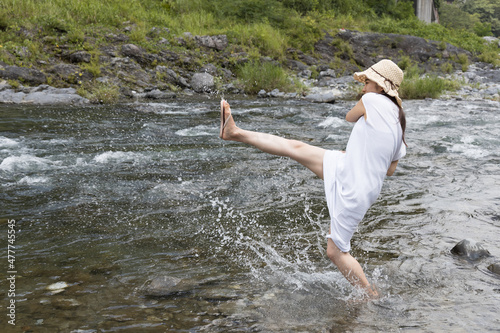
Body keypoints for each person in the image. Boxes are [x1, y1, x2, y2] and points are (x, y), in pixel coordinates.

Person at [219, 59, 406, 297]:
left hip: (355, 185)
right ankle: (234, 132)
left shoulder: (371, 100)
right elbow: (389, 169)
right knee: (295, 147)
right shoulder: (399, 120)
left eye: (367, 82)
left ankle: (370, 296)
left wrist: (360, 151)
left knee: (336, 251)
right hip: (351, 170)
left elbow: (350, 117)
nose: (363, 88)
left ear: (380, 87)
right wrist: (359, 155)